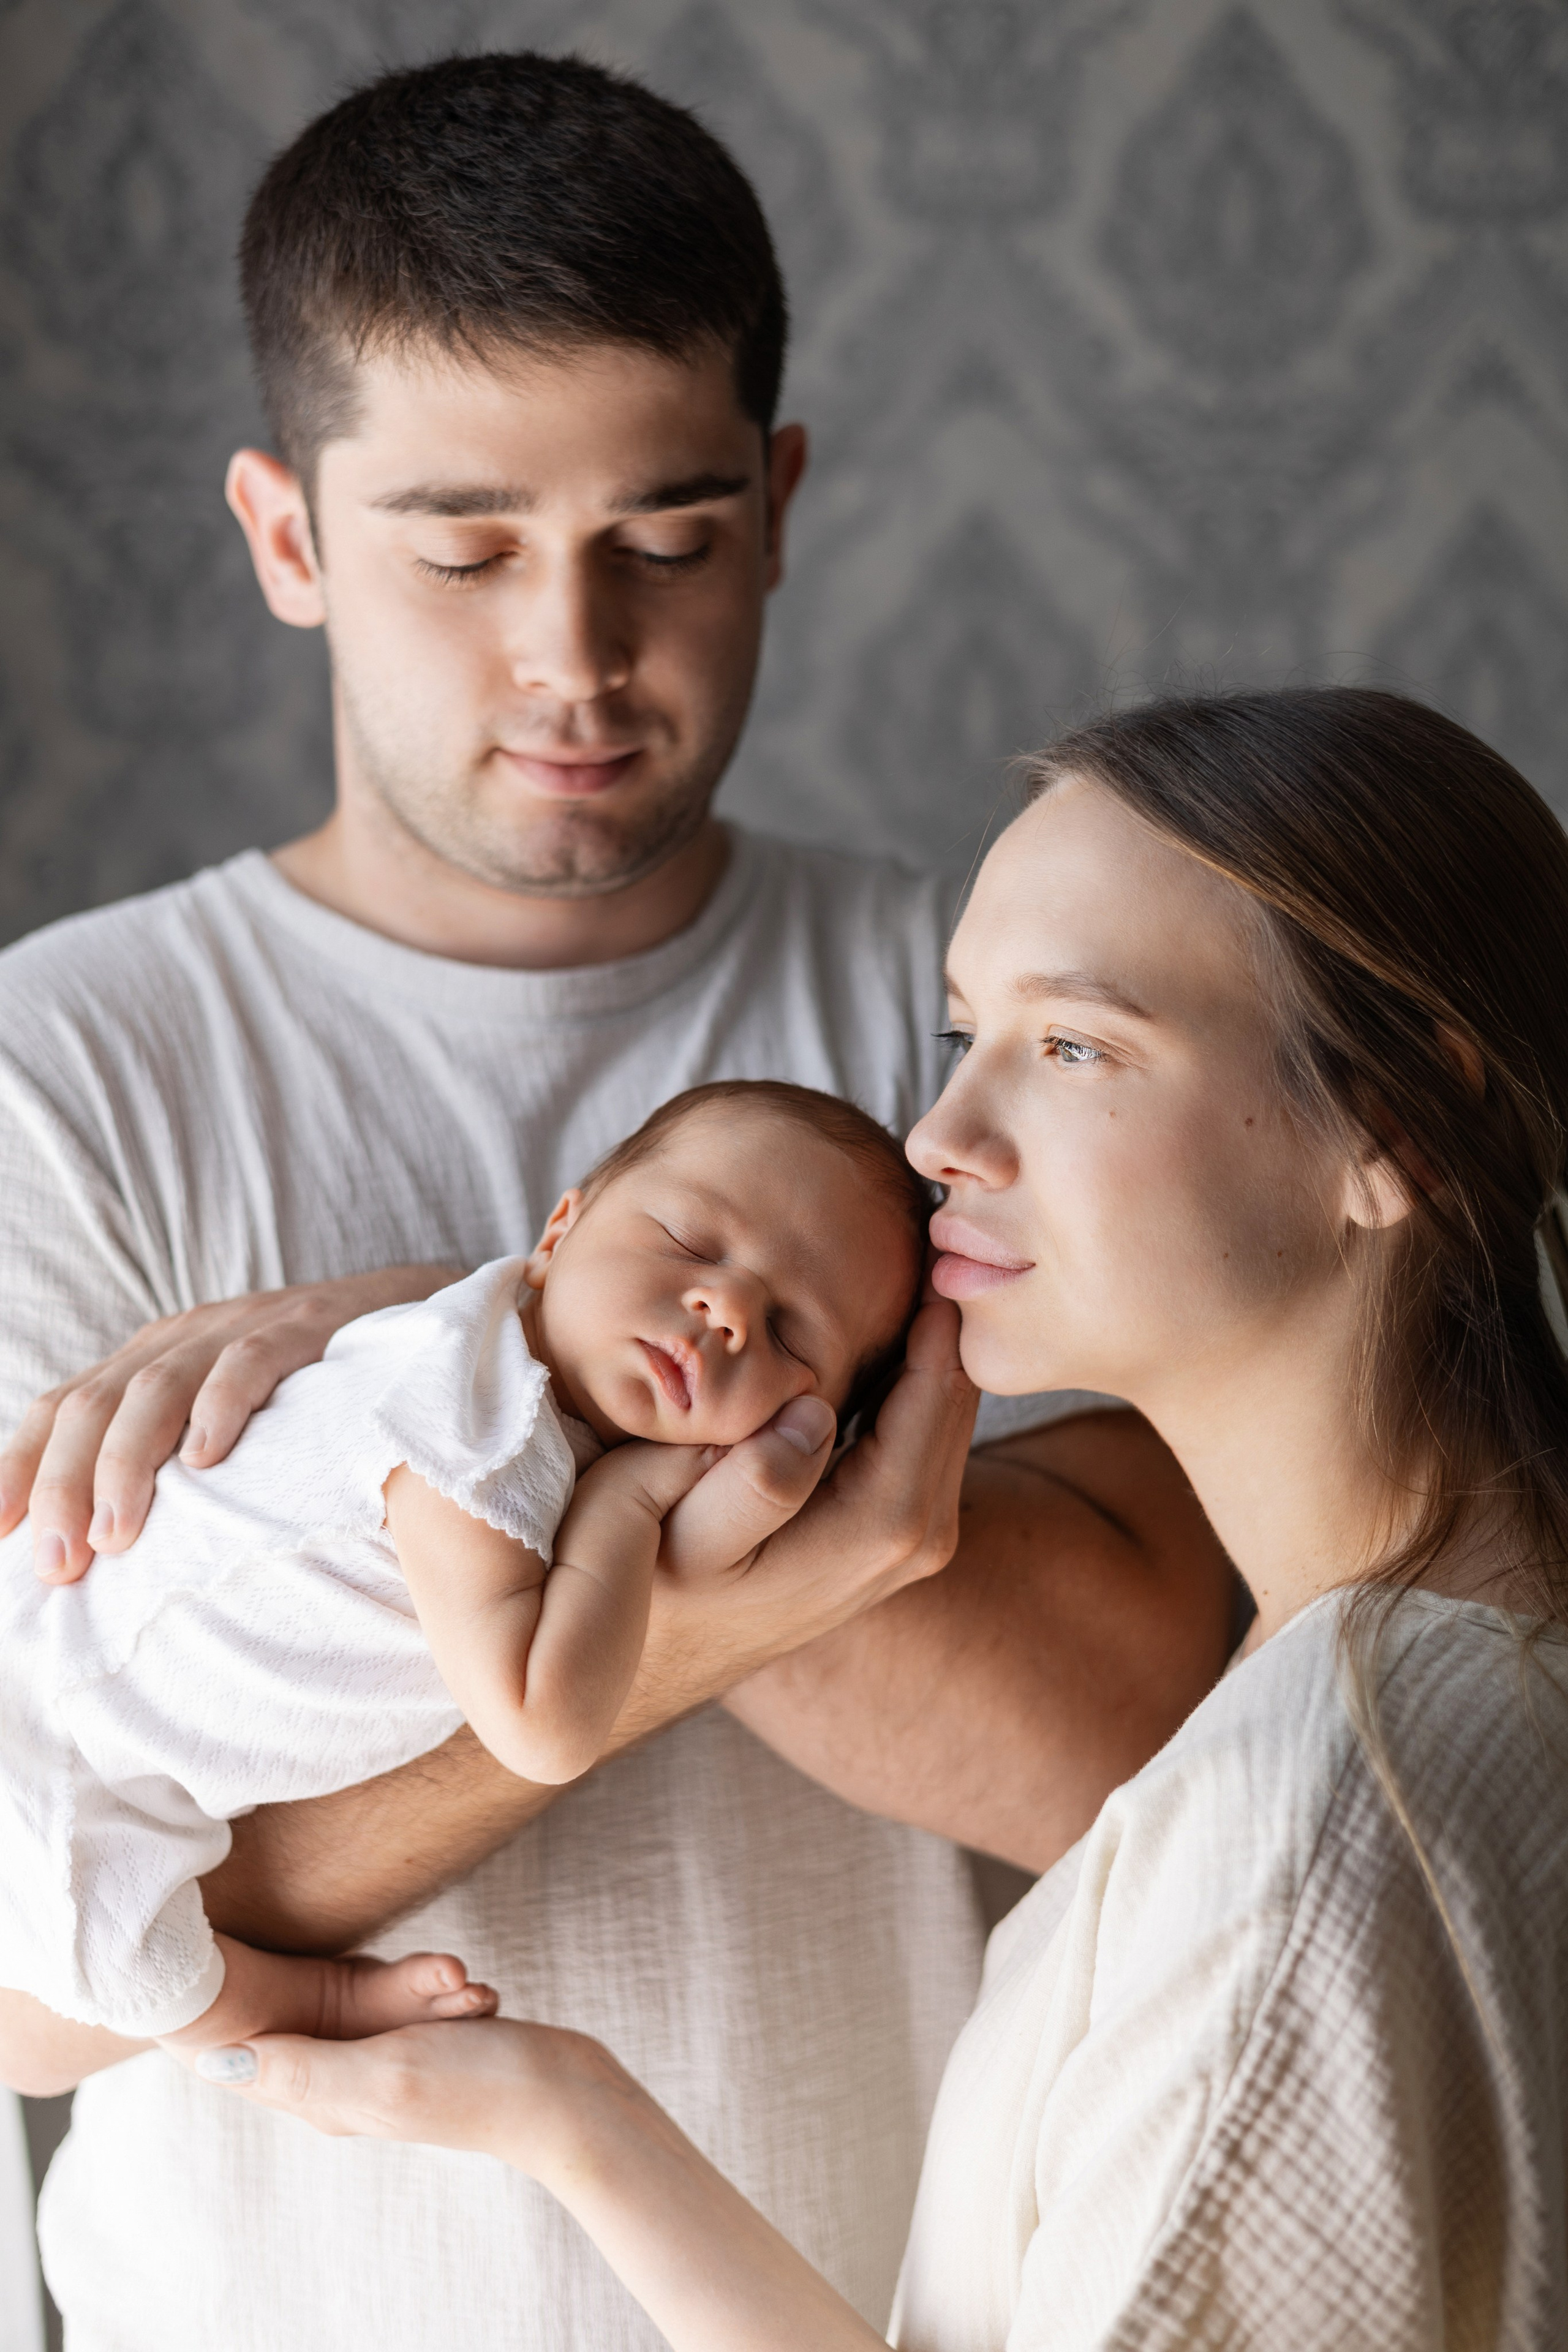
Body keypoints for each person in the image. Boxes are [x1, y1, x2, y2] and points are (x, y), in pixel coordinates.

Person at [0, 51, 1229, 2350]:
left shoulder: (960, 1006)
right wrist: (729, 1561)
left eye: (664, 541)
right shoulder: (59, 1075)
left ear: (774, 507)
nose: (576, 657)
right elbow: (24, 1983)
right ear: (286, 539)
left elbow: (1133, 1750)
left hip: (883, 2303)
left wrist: (431, 1365)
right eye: (464, 551)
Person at [194, 686, 1568, 2350]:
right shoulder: (1401, 1698)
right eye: (959, 1036)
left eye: (1074, 1046)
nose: (940, 1139)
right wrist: (574, 2122)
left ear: (1394, 1126)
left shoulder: (1333, 1803)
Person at [0, 1084, 925, 2049]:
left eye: (790, 1334)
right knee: (126, 1964)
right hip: (42, 1734)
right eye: (691, 1242)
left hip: (77, 1681)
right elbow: (542, 1727)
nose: (725, 1307)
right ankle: (306, 2002)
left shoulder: (470, 1345)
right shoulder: (469, 1420)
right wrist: (629, 1509)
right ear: (560, 1228)